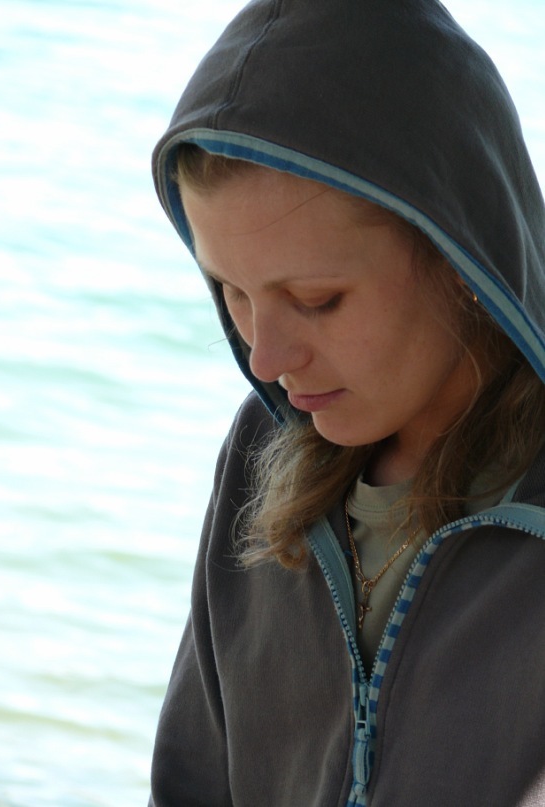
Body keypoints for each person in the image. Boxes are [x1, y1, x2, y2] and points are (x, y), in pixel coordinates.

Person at [149, 0, 545, 804]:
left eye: (316, 300)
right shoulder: (258, 452)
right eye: (232, 292)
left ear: (460, 257)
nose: (264, 357)